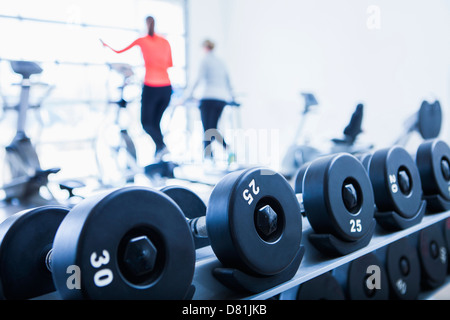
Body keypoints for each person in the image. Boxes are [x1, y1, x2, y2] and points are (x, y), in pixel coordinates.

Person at [101, 16, 172, 161]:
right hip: (166, 88)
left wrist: (106, 45)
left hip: (152, 87)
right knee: (155, 124)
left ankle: (162, 147)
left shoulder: (142, 40)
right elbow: (169, 64)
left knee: (146, 124)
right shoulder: (165, 42)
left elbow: (118, 50)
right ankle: (160, 150)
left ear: (146, 25)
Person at [187, 39, 235, 162]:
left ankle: (209, 156)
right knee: (212, 128)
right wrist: (232, 96)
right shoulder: (221, 62)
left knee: (208, 129)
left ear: (204, 47)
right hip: (221, 99)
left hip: (208, 98)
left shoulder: (205, 60)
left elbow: (198, 78)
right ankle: (224, 148)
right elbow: (228, 81)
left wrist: (188, 95)